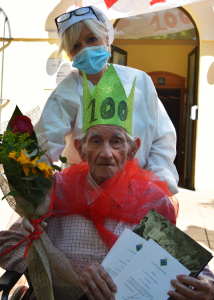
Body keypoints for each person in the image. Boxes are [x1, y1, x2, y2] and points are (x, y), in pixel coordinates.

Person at [0, 66, 214, 300]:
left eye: (116, 142)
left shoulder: (151, 200)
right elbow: (5, 243)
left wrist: (209, 287)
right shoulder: (54, 189)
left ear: (132, 150)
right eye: (96, 141)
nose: (106, 153)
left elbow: (185, 261)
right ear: (81, 150)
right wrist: (65, 269)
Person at [41, 5, 179, 194]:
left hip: (140, 192)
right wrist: (35, 194)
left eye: (91, 39)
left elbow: (162, 138)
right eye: (75, 45)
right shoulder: (66, 92)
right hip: (83, 196)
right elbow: (43, 146)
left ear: (106, 37)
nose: (85, 49)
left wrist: (156, 181)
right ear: (68, 53)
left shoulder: (140, 82)